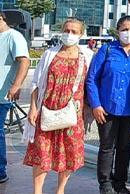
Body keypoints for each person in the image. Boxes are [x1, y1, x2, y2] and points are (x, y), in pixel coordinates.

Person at [24, 18, 94, 194]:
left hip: (72, 113)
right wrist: (33, 107)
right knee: (42, 150)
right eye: (67, 30)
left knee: (69, 151)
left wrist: (88, 108)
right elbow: (36, 83)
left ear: (81, 34)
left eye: (74, 31)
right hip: (48, 108)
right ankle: (37, 191)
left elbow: (90, 84)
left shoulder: (87, 55)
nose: (69, 34)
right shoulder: (50, 54)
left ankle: (60, 189)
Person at [86, 16, 130, 194]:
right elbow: (92, 79)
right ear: (118, 31)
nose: (128, 33)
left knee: (125, 147)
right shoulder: (107, 50)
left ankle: (120, 182)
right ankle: (105, 182)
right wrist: (95, 105)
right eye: (124, 29)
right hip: (106, 108)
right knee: (107, 146)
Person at [0, 10, 30, 184]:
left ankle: (0, 170)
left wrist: (16, 85)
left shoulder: (13, 36)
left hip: (2, 94)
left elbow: (24, 61)